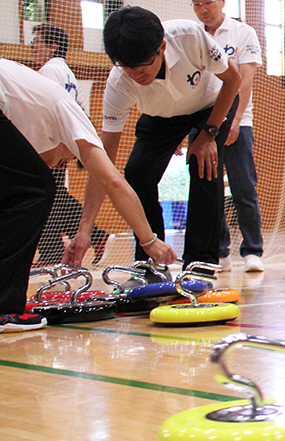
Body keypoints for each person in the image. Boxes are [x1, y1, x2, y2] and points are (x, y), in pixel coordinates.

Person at [0, 58, 176, 332]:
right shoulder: (71, 116)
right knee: (36, 189)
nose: (59, 164)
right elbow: (113, 181)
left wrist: (84, 234)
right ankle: (3, 310)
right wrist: (149, 240)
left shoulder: (28, 112)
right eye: (66, 160)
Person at [62, 6, 242, 269]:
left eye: (144, 64)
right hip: (161, 117)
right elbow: (101, 162)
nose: (137, 75)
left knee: (204, 166)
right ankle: (150, 260)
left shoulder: (189, 36)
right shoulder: (118, 84)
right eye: (128, 67)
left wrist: (208, 134)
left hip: (211, 105)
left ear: (162, 46)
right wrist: (84, 231)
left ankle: (202, 263)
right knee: (137, 171)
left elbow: (233, 79)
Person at [189, 0, 265, 273]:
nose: (203, 8)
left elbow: (244, 81)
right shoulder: (193, 35)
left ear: (222, 0)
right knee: (207, 187)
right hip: (201, 120)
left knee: (243, 186)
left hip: (237, 121)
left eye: (208, 1)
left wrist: (233, 121)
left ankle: (252, 250)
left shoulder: (242, 32)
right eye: (197, 3)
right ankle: (218, 251)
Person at [30, 23, 109, 265]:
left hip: (50, 144)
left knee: (46, 196)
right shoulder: (65, 71)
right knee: (50, 198)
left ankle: (94, 235)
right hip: (60, 142)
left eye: (37, 42)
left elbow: (43, 110)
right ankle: (52, 253)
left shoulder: (49, 70)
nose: (32, 47)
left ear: (52, 45)